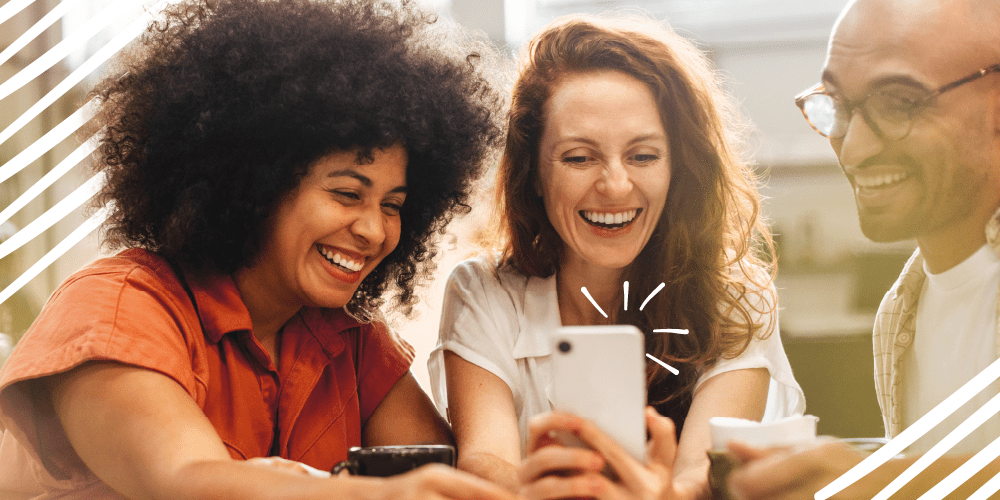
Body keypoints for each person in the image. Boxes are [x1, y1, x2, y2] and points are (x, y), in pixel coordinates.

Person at [0, 0, 518, 499]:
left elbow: (441, 483)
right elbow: (187, 482)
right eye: (347, 194)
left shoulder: (351, 343)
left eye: (393, 204)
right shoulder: (118, 307)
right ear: (255, 182)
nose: (374, 230)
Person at [427, 14, 805, 499]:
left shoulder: (737, 297)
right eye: (579, 158)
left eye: (643, 156)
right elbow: (484, 458)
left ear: (679, 169)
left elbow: (700, 473)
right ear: (534, 175)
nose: (615, 186)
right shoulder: (485, 291)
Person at [728, 0, 1000, 498]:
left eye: (900, 102)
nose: (853, 151)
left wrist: (879, 479)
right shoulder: (902, 313)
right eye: (838, 105)